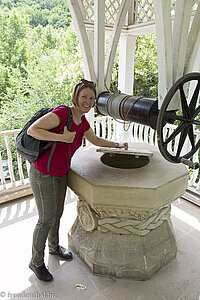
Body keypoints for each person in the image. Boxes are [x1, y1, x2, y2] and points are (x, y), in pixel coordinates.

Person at [28, 79, 128, 281]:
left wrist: (117, 144)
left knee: (57, 213)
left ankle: (54, 247)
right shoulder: (62, 113)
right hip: (43, 173)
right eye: (84, 96)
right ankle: (36, 262)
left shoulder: (82, 122)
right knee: (45, 219)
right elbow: (33, 130)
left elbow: (96, 140)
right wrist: (62, 138)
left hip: (61, 172)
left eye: (91, 98)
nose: (88, 101)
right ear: (76, 97)